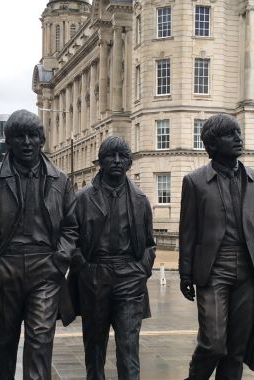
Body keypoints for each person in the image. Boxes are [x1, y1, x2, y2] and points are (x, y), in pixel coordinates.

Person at [0, 109, 77, 380]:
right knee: (4, 344)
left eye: (33, 136)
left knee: (40, 341)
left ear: (42, 140)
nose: (27, 142)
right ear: (8, 141)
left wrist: (58, 262)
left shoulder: (60, 180)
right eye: (19, 136)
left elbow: (72, 227)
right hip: (5, 268)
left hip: (45, 270)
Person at [178, 114, 254, 380]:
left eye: (238, 132)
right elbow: (188, 232)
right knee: (213, 342)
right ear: (212, 145)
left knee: (236, 350)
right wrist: (185, 273)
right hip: (213, 269)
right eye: (230, 134)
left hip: (250, 271)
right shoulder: (195, 181)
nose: (238, 138)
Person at [68, 136, 156, 380]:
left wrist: (142, 270)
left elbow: (150, 243)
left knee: (129, 348)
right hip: (95, 273)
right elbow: (70, 239)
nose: (117, 161)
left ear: (129, 163)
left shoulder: (140, 200)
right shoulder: (83, 198)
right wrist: (84, 269)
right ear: (101, 162)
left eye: (122, 157)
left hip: (130, 275)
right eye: (110, 156)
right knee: (95, 347)